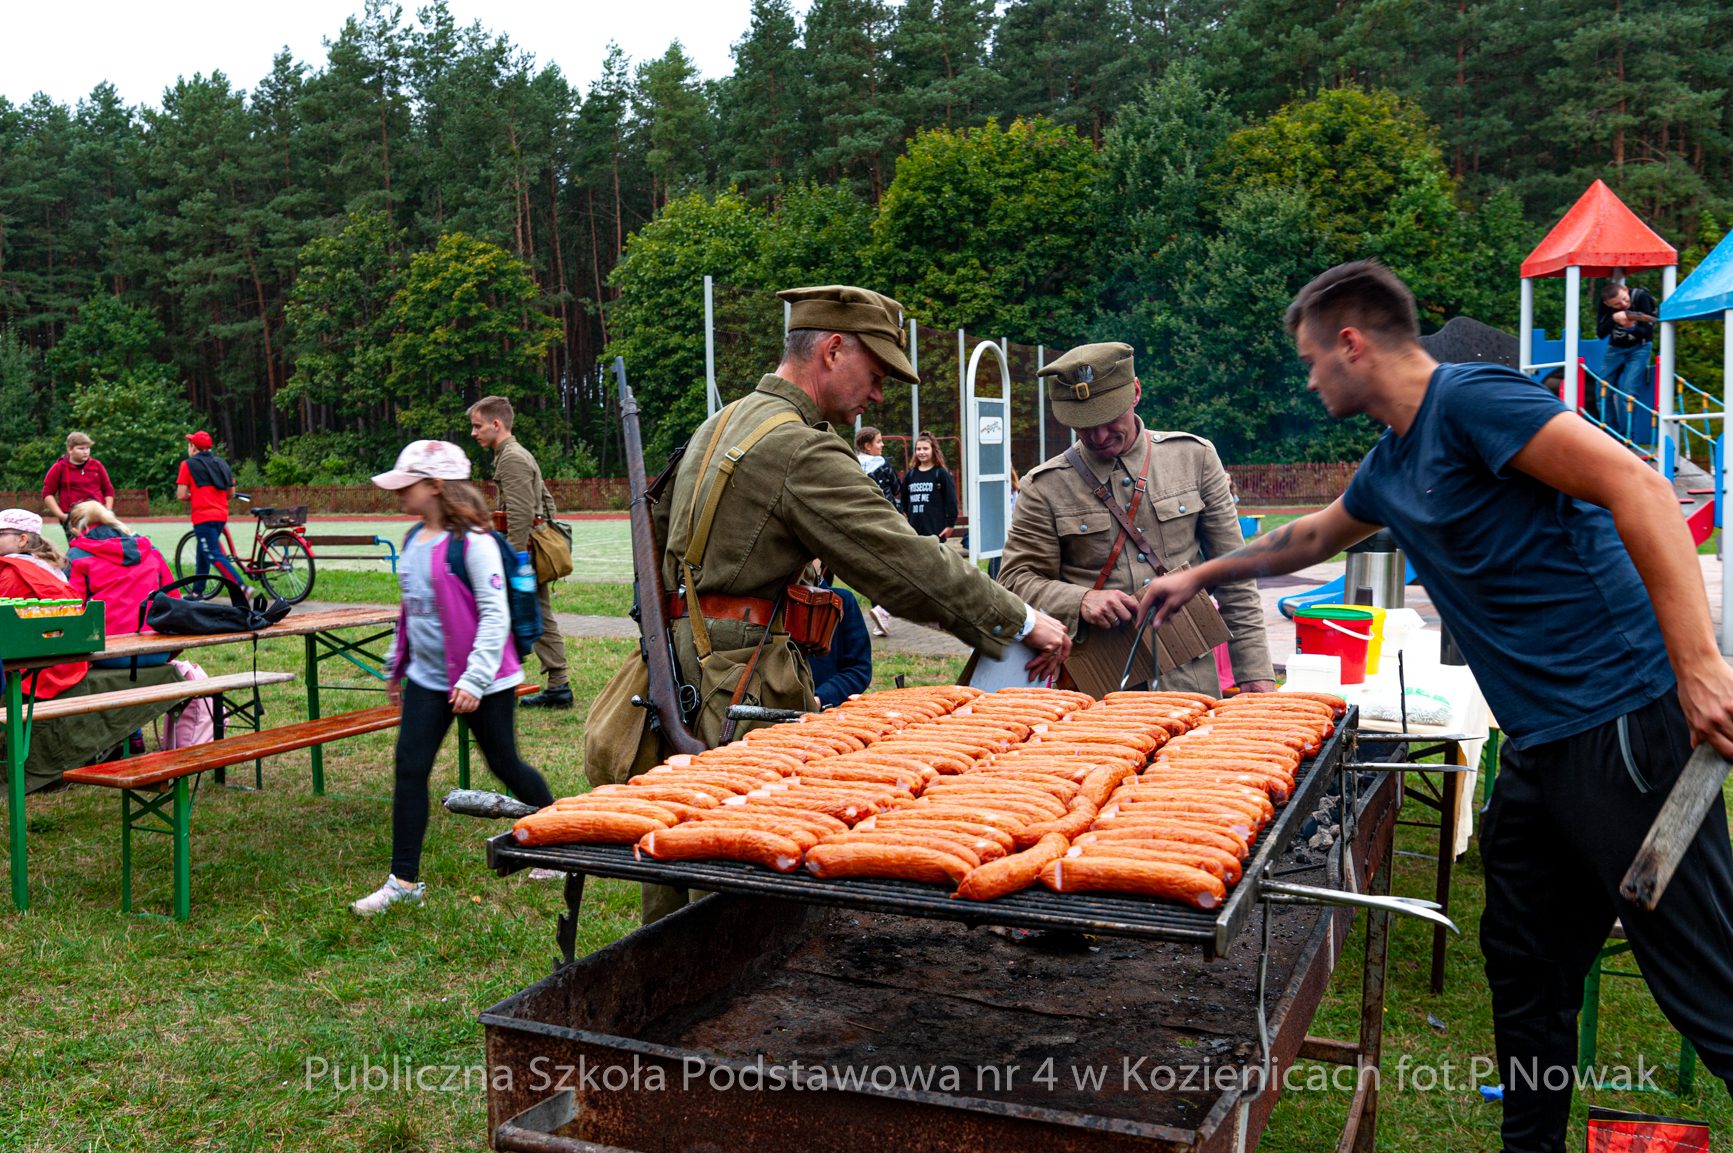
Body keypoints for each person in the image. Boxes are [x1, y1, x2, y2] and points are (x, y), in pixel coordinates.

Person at [1137, 260, 1733, 1153]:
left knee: (1702, 979)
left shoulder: (1472, 400)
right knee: (1525, 966)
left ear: (1350, 343)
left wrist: (1699, 665)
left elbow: (1639, 488)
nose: (1308, 381)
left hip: (1620, 720)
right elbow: (1312, 533)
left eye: (1310, 360)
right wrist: (1199, 574)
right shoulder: (1390, 464)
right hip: (1538, 743)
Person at [588, 283, 1071, 923]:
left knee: (678, 845)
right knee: (748, 871)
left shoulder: (722, 423)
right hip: (739, 681)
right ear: (834, 350)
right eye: (876, 374)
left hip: (685, 664)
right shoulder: (798, 447)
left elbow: (655, 540)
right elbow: (905, 561)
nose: (878, 395)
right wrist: (1022, 620)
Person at [998, 342, 1274, 697]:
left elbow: (1234, 573)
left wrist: (1255, 672)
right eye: (1083, 425)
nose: (1098, 436)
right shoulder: (1045, 486)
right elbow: (1014, 580)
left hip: (1190, 682)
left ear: (1136, 393)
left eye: (1108, 418)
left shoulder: (1195, 458)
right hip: (1098, 688)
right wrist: (1080, 600)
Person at [352, 440, 555, 915]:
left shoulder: (475, 544)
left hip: (485, 680)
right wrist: (397, 665)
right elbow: (411, 609)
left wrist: (473, 680)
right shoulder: (412, 539)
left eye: (408, 485)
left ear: (436, 486)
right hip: (428, 679)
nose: (399, 493)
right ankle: (403, 882)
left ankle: (558, 839)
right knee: (409, 768)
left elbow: (494, 616)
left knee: (505, 764)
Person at [467, 396, 570, 709]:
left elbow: (521, 513)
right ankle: (556, 685)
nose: (474, 433)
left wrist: (515, 560)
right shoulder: (513, 454)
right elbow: (546, 501)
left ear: (496, 424)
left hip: (522, 551)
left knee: (522, 613)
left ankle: (523, 682)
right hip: (527, 548)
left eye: (478, 426)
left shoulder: (511, 458)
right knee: (534, 614)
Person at [65, 501, 177, 669]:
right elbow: (174, 597)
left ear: (75, 530)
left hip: (107, 653)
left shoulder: (77, 556)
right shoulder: (149, 549)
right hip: (158, 651)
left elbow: (71, 608)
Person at [175, 430, 246, 590]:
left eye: (189, 444)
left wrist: (195, 496)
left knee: (213, 553)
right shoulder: (222, 463)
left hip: (203, 517)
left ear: (193, 447)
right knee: (203, 551)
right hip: (221, 516)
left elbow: (181, 494)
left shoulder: (187, 464)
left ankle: (241, 586)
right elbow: (231, 493)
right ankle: (197, 592)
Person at [855, 425, 902, 636]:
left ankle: (880, 614)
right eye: (879, 441)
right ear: (868, 445)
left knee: (873, 569)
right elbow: (897, 488)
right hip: (887, 521)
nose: (882, 445)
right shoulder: (883, 465)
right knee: (895, 566)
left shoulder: (852, 465)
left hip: (863, 523)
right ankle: (883, 610)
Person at [804, 573, 873, 709]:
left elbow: (859, 669)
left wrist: (821, 698)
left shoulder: (842, 601)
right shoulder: (766, 603)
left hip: (826, 712)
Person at [41, 432, 114, 544]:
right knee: (78, 547)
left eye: (87, 448)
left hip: (97, 515)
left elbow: (108, 490)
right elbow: (47, 494)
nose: (86, 452)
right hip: (73, 517)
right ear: (70, 449)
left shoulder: (97, 466)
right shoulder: (59, 467)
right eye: (81, 448)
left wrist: (107, 511)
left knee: (101, 546)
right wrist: (62, 515)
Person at [1595, 279, 1658, 409]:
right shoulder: (1604, 305)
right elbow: (1601, 333)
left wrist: (1631, 327)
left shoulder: (1641, 297)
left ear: (1626, 289)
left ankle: (1628, 423)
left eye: (1624, 299)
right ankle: (1607, 422)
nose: (1623, 304)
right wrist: (1613, 319)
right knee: (1602, 389)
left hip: (1640, 347)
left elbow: (1648, 331)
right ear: (1607, 304)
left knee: (1629, 390)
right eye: (1617, 304)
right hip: (1615, 348)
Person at [903, 431, 958, 540]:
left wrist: (950, 525)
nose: (921, 452)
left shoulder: (940, 473)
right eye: (918, 449)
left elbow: (951, 501)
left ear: (933, 450)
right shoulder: (910, 474)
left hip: (935, 531)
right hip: (914, 532)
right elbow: (904, 500)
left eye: (925, 448)